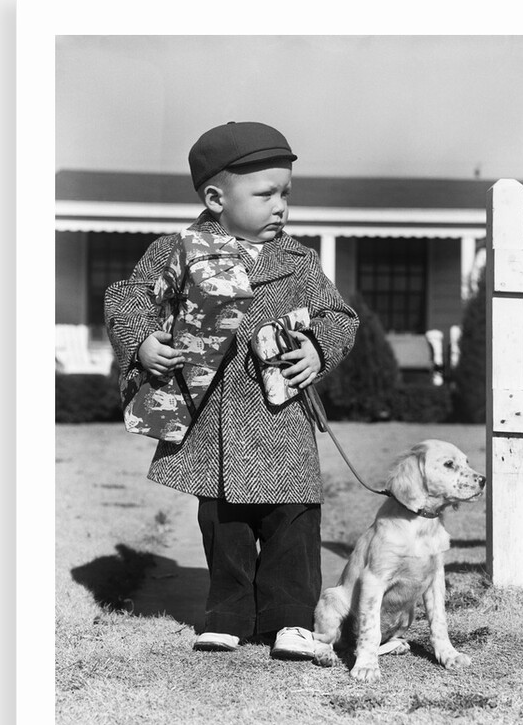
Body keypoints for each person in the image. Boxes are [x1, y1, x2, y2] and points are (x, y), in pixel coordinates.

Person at [104, 121, 359, 660]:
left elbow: (339, 316)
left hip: (281, 416)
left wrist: (317, 347)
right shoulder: (180, 251)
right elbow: (128, 298)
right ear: (216, 198)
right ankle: (228, 614)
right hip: (213, 417)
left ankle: (290, 619)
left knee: (292, 520)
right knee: (225, 524)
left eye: (286, 193)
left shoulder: (299, 261)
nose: (280, 206)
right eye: (265, 194)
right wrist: (143, 342)